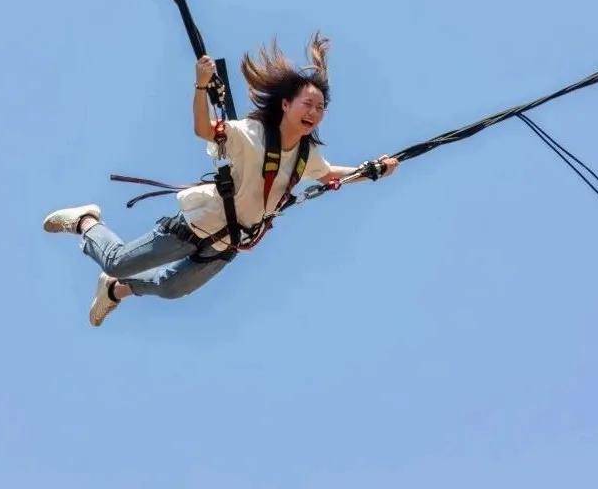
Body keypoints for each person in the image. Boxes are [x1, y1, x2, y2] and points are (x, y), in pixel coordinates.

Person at [42, 33, 399, 326]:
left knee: (171, 289)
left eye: (321, 109)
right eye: (308, 104)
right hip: (196, 226)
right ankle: (87, 221)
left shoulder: (308, 156)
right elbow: (203, 129)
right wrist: (200, 86)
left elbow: (333, 174)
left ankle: (113, 291)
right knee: (118, 262)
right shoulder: (249, 133)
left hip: (229, 243)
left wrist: (373, 170)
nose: (314, 113)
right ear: (286, 105)